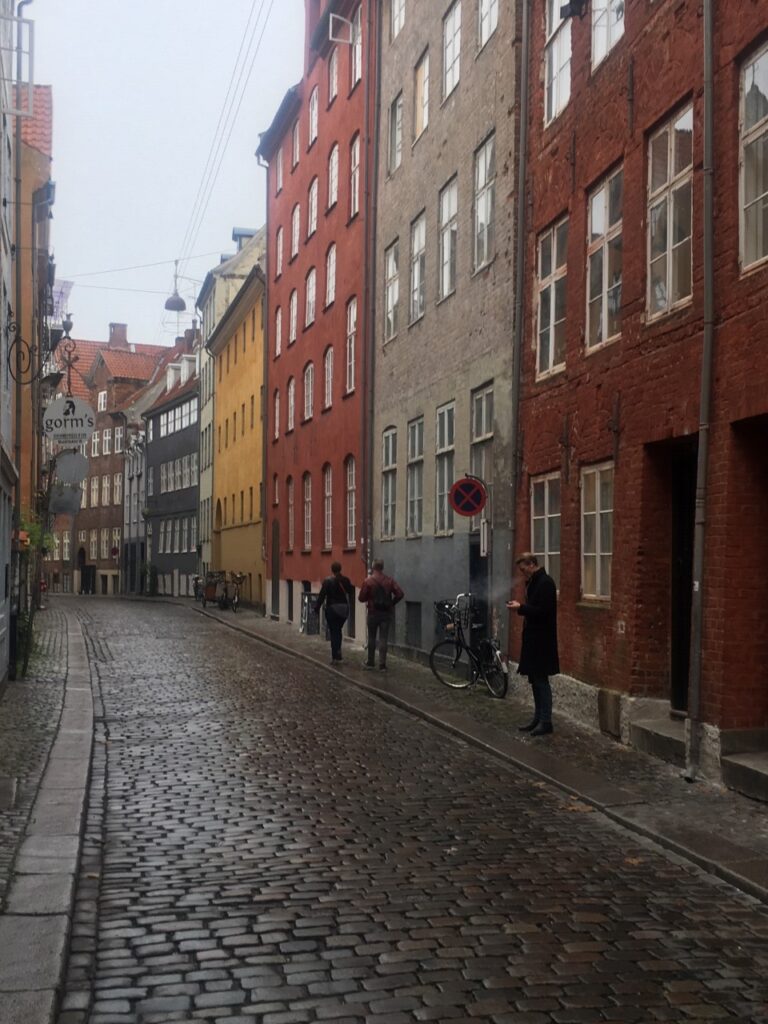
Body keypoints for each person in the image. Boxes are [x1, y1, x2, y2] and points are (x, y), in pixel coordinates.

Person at [507, 552, 559, 736]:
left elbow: (544, 611)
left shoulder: (545, 583)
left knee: (541, 681)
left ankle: (546, 721)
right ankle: (538, 718)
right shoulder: (534, 582)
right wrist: (522, 607)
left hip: (542, 640)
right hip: (534, 639)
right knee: (535, 681)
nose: (523, 574)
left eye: (523, 570)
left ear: (532, 565)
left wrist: (521, 608)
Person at [358, 558, 404, 670]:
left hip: (373, 613)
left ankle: (370, 661)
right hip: (385, 613)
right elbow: (400, 594)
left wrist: (370, 597)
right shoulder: (389, 580)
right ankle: (382, 664)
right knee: (384, 638)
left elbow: (361, 598)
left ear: (373, 567)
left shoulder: (368, 581)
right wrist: (391, 603)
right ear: (382, 567)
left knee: (372, 637)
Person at [314, 561, 355, 663]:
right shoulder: (346, 580)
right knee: (338, 630)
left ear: (332, 570)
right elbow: (351, 592)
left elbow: (322, 596)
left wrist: (316, 608)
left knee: (334, 632)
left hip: (332, 609)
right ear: (340, 569)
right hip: (343, 609)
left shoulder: (328, 581)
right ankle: (338, 653)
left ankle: (335, 656)